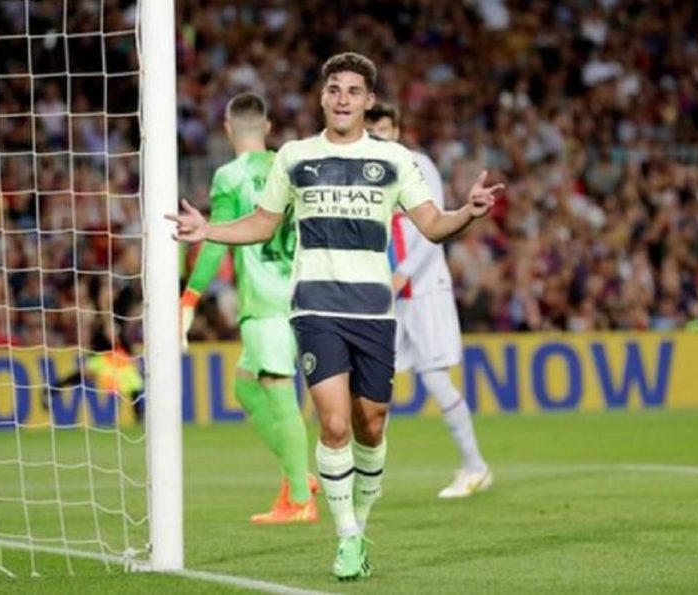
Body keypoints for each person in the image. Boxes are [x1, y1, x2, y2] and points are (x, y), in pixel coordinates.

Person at [167, 52, 503, 581]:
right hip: (314, 308)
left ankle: (361, 524)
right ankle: (346, 536)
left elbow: (432, 225)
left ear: (369, 101)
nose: (343, 99)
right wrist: (208, 230)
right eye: (334, 89)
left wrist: (468, 212)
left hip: (373, 311)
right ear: (322, 97)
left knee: (372, 424)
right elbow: (262, 223)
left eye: (353, 91)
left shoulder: (393, 159)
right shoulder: (295, 156)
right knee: (334, 422)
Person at [180, 92, 318, 524]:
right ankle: (299, 476)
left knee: (279, 392)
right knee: (244, 386)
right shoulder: (290, 167)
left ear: (227, 129)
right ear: (268, 127)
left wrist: (189, 299)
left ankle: (300, 499)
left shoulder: (230, 176)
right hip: (301, 293)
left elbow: (213, 241)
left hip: (265, 303)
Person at [365, 102, 492, 498]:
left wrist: (404, 272)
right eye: (372, 131)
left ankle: (475, 467)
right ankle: (370, 478)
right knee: (377, 386)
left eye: (384, 129)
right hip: (384, 294)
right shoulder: (365, 172)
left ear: (396, 130)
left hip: (423, 290)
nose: (379, 137)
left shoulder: (418, 165)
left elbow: (434, 227)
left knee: (435, 378)